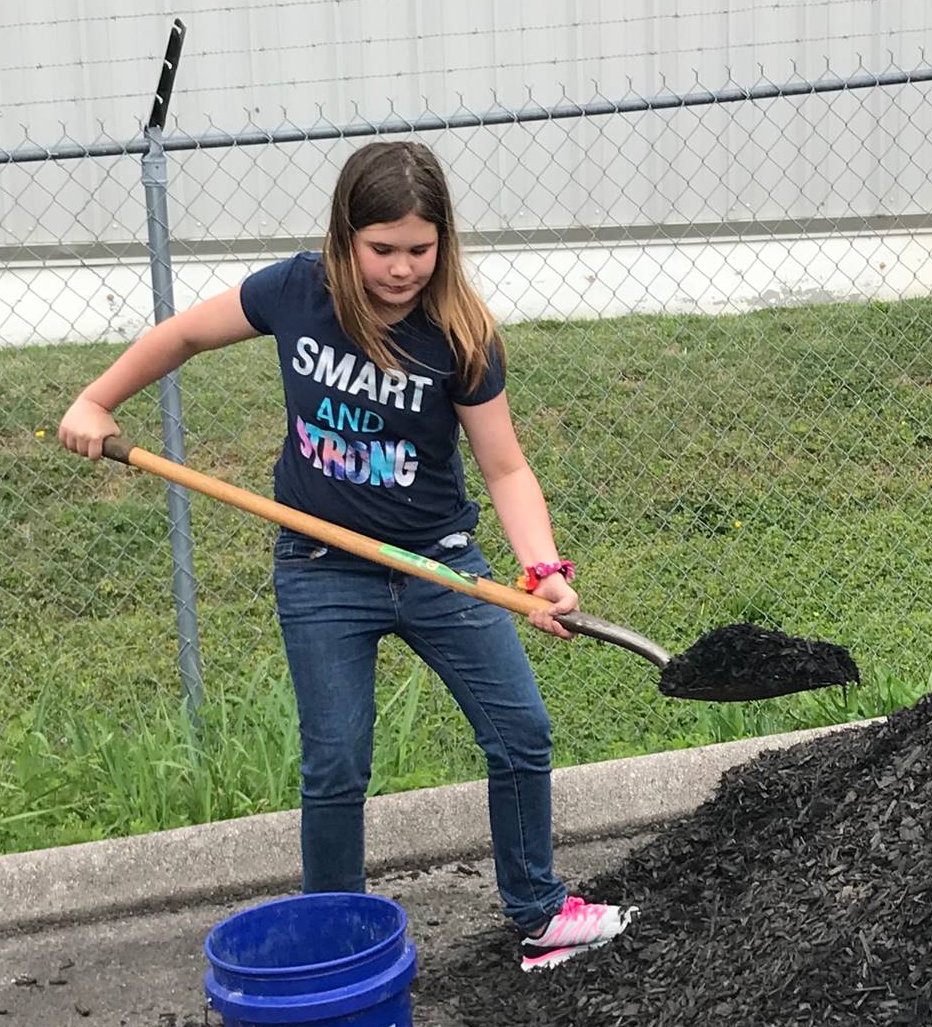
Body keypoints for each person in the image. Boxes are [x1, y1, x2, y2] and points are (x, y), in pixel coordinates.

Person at [59, 139, 637, 972]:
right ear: (345, 238)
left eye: (420, 249)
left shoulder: (460, 334)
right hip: (321, 568)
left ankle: (540, 911)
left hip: (440, 567)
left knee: (521, 731)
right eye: (382, 249)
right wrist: (96, 399)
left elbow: (506, 466)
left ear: (444, 243)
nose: (402, 269)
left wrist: (544, 569)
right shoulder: (297, 291)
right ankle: (338, 938)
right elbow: (183, 335)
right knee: (336, 763)